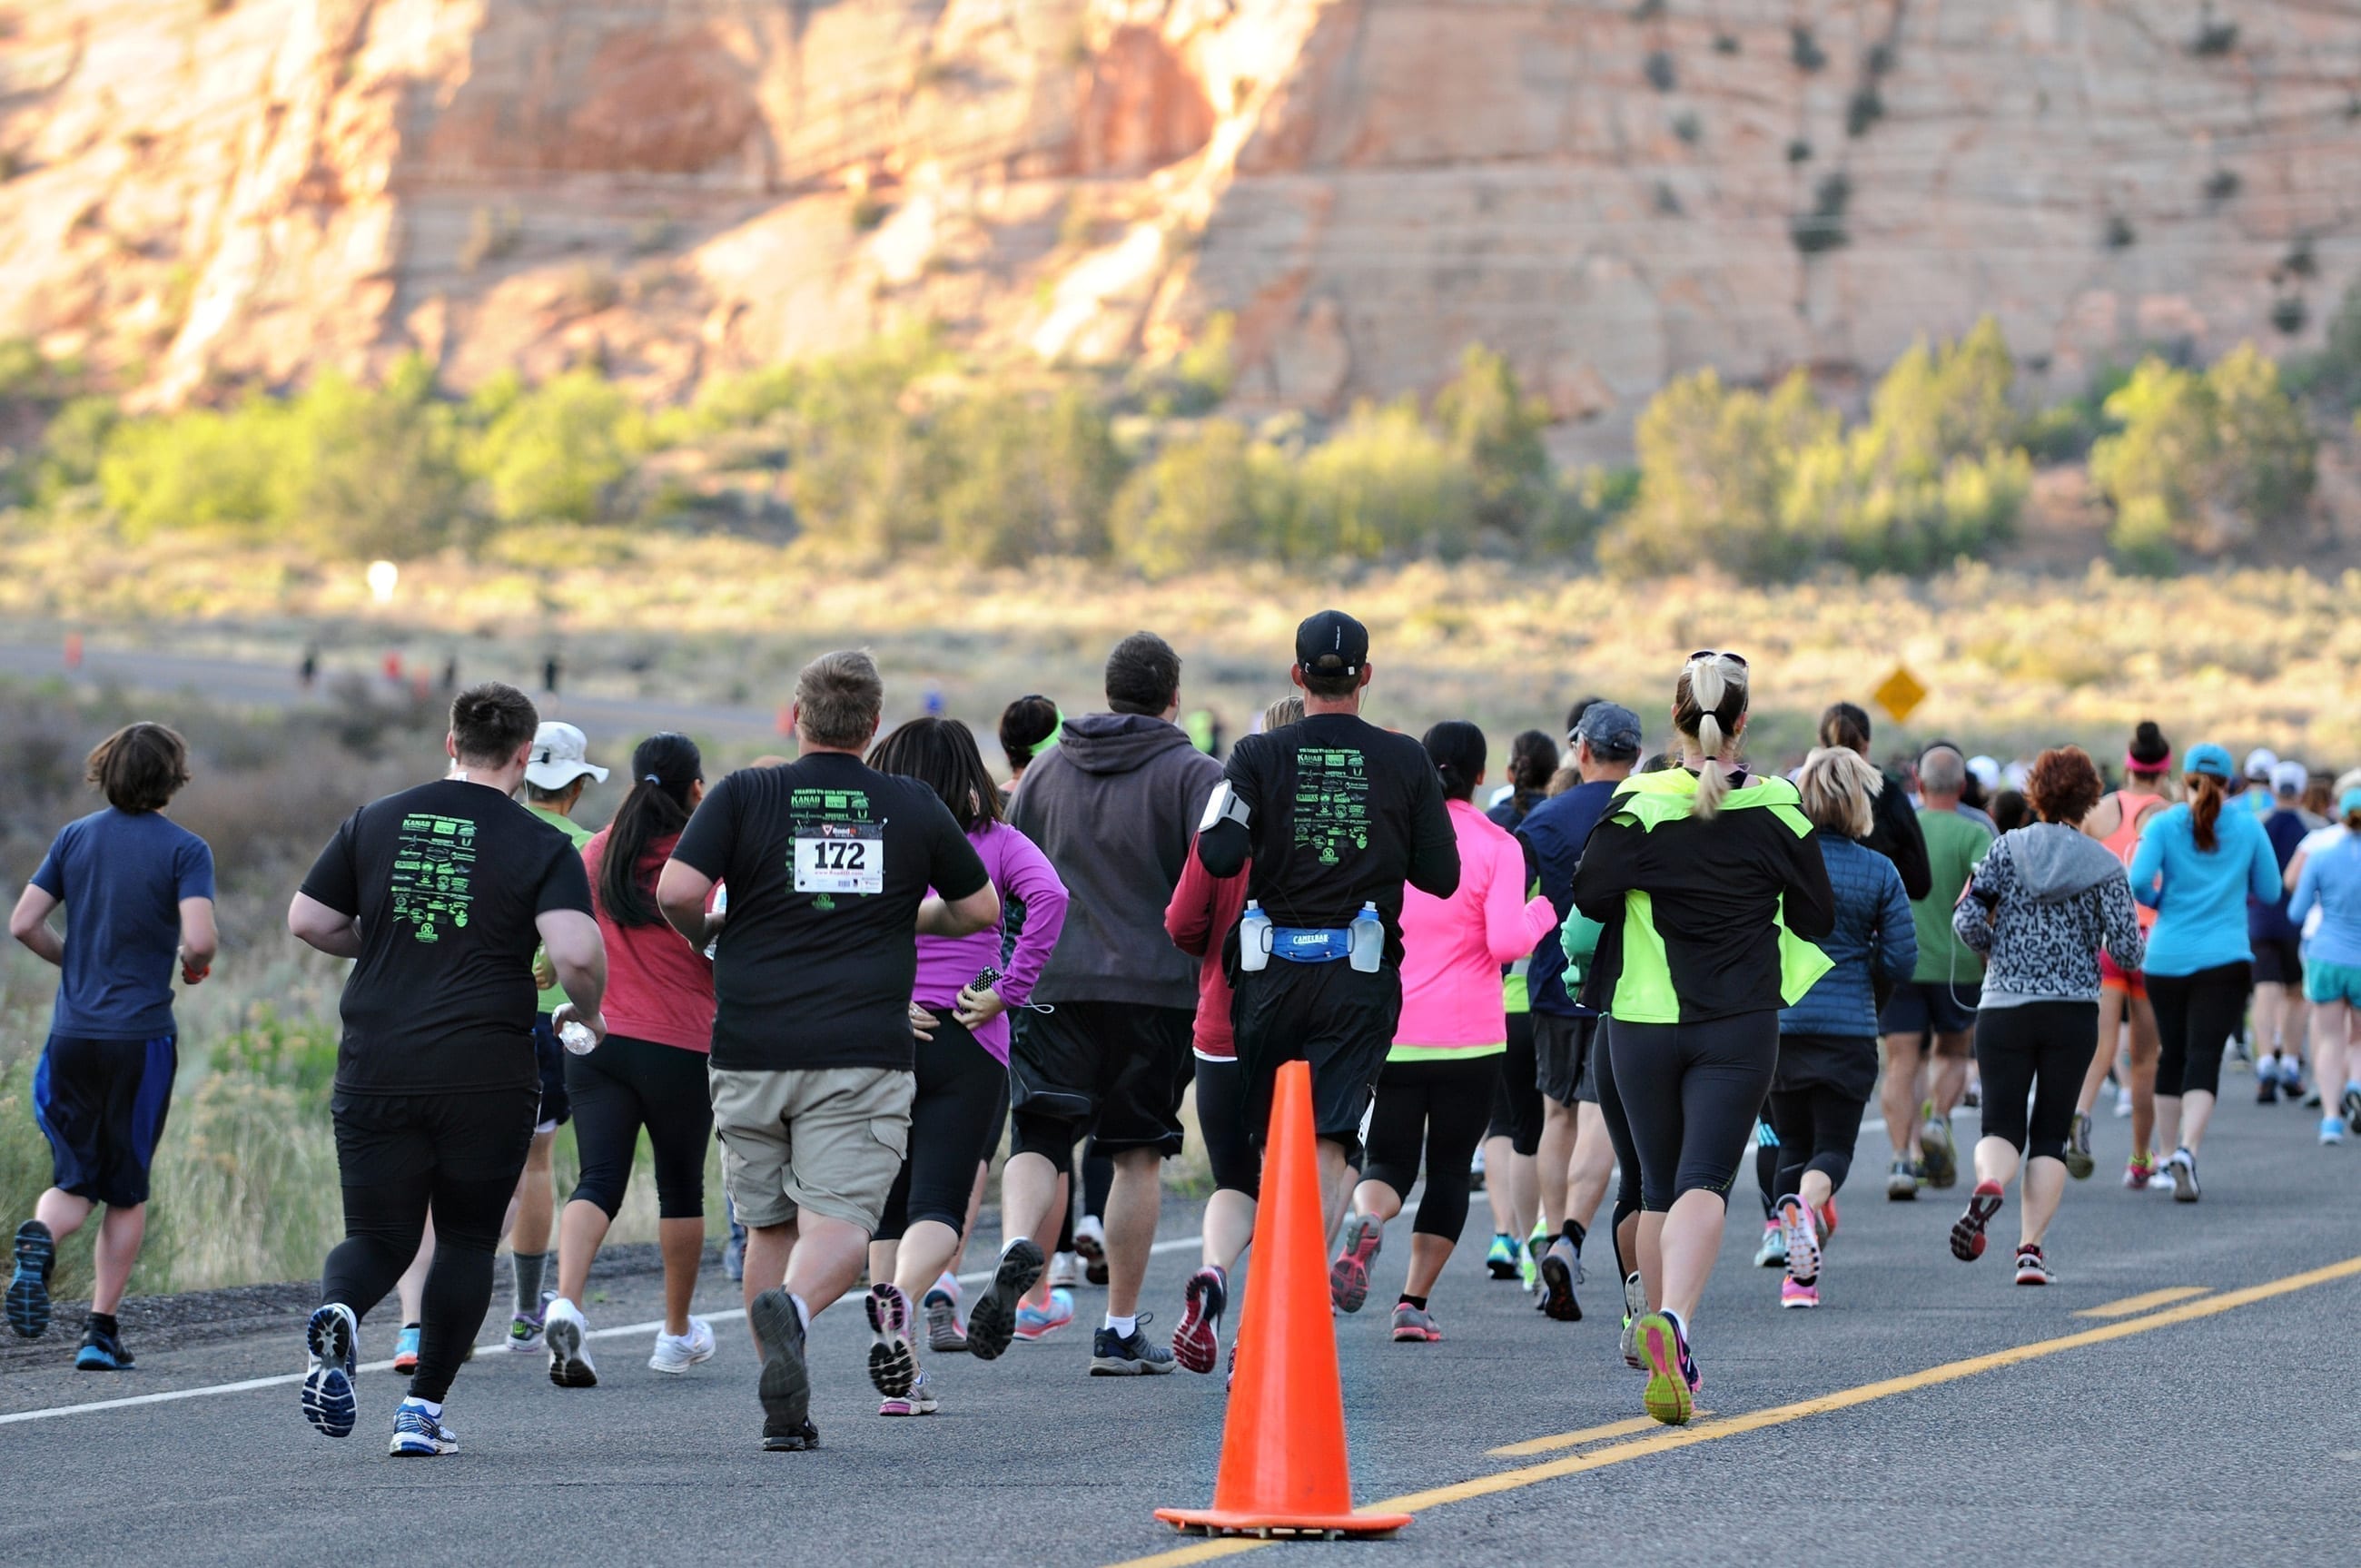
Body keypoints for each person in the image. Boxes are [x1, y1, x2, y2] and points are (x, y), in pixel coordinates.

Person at [656, 651, 997, 1450]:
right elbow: (978, 906)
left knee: (769, 1228)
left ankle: (785, 1407)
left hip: (748, 1045)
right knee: (840, 1221)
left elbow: (675, 890)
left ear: (797, 715)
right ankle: (798, 1315)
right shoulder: (908, 803)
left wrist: (707, 933)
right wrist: (917, 920)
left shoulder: (745, 792)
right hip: (859, 1048)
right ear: (874, 724)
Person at [288, 683, 607, 1458]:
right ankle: (420, 1412)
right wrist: (587, 1011)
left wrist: (395, 946)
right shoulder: (544, 844)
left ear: (450, 743)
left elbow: (308, 918)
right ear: (525, 757)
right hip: (484, 1069)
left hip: (377, 1060)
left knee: (378, 1234)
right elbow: (572, 952)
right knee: (466, 1237)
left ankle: (340, 1313)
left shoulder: (378, 817)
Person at [1570, 652, 1834, 1426]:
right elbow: (1818, 916)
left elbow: (1590, 891)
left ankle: (1657, 1327)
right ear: (1743, 720)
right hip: (1738, 1019)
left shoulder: (1639, 801)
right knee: (1706, 1179)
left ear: (1675, 717)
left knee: (1656, 1185)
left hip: (1643, 1021)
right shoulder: (1779, 806)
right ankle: (1676, 1326)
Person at [1195, 609, 1459, 1322]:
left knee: (1268, 1142)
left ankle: (1236, 1280)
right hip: (1357, 974)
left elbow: (1218, 853)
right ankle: (1282, 1311)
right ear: (1366, 676)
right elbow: (1442, 876)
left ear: (1297, 675)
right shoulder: (1404, 759)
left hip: (1271, 973)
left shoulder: (1254, 754)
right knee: (1328, 1137)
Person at [1000, 632, 1221, 1376]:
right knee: (1135, 1155)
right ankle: (1120, 1328)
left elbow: (1013, 874)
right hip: (1153, 992)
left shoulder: (1047, 769)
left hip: (1054, 983)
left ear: (1107, 690)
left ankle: (1013, 1254)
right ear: (1173, 697)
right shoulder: (1195, 775)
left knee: (1038, 1134)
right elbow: (1218, 881)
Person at [864, 716, 1067, 1416]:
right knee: (939, 1205)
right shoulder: (999, 843)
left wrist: (876, 1001)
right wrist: (1009, 988)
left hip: (888, 1030)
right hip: (967, 1034)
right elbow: (1052, 898)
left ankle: (907, 1375)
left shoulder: (875, 845)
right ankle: (908, 1302)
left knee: (886, 1207)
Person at [6, 724, 217, 1368]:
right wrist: (191, 963)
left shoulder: (74, 837)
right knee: (126, 1189)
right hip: (139, 1039)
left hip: (71, 1035)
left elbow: (23, 923)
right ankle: (99, 1330)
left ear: (106, 770)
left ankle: (39, 1237)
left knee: (73, 1177)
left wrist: (74, 964)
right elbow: (202, 939)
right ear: (172, 778)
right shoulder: (186, 850)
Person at [1346, 723, 1556, 1342]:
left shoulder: (1391, 836)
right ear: (1486, 775)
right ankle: (1412, 1302)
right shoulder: (1499, 843)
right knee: (1445, 1170)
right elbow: (1506, 941)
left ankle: (1369, 1220)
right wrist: (1543, 911)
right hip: (1472, 1037)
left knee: (1387, 1155)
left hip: (1396, 1028)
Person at [539, 735, 720, 1389]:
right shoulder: (701, 859)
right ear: (694, 789)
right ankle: (674, 1334)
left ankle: (567, 1302)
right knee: (679, 1186)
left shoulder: (596, 850)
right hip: (681, 1043)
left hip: (601, 1039)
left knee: (599, 1178)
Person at [1949, 747, 2146, 1282]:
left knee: (2001, 1123)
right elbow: (2128, 950)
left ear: (2035, 790)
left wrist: (1996, 947)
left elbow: (1965, 919)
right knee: (2051, 1132)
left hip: (2005, 1006)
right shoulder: (2105, 864)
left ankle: (1991, 1181)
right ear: (2089, 799)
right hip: (2073, 1010)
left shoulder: (2005, 850)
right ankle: (2030, 1251)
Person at [1163, 693, 1303, 1376]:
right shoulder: (1332, 823)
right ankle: (1258, 1331)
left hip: (1222, 1023)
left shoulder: (1224, 818)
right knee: (1298, 1186)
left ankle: (1214, 1271)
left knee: (1234, 1179)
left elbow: (1183, 924)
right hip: (1309, 1023)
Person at [1768, 748, 1915, 1309]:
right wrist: (1867, 972)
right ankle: (1808, 1211)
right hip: (1849, 1027)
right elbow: (1901, 960)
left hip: (1783, 1024)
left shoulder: (1780, 867)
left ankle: (1796, 1273)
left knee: (1791, 1145)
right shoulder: (1879, 871)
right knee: (1833, 1148)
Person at [1513, 700, 1644, 1321]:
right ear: (1636, 755)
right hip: (1624, 982)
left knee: (1555, 1115)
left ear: (1582, 750)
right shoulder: (1652, 809)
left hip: (1552, 980)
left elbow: (1515, 900)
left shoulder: (1545, 818)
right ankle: (1570, 1235)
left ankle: (1547, 1244)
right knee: (1600, 1121)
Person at [495, 721, 608, 1353]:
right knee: (536, 1163)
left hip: (485, 1012)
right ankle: (524, 1309)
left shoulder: (497, 834)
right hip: (556, 1020)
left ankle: (429, 1303)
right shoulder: (586, 849)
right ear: (575, 785)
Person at [2128, 743, 2281, 1203]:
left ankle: (2167, 1149)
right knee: (2204, 1055)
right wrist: (2233, 889)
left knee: (2171, 1054)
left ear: (2185, 778)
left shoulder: (2165, 823)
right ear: (2230, 783)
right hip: (2225, 956)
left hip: (2167, 956)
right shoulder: (2249, 827)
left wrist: (2163, 904)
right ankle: (2188, 1153)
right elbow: (2271, 890)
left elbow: (2137, 881)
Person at [1878, 745, 1992, 1199]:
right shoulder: (1977, 831)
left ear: (1918, 784)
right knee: (1953, 1053)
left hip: (1901, 962)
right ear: (1963, 787)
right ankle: (1939, 1121)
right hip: (1959, 966)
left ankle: (1902, 1160)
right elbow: (1992, 898)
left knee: (1903, 1063)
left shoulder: (1901, 826)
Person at [2070, 722, 2173, 1187]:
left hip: (2108, 940)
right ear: (2164, 767)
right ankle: (2140, 1159)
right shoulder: (2171, 816)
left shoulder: (2099, 811)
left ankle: (2079, 1113)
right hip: (2153, 943)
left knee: (2099, 1045)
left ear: (2129, 766)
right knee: (2145, 1059)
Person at [1478, 727, 1556, 1284]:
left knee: (1503, 1126)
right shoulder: (1558, 827)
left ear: (1510, 772)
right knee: (1548, 1123)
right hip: (1549, 1001)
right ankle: (1543, 1235)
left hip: (1494, 1001)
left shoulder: (1496, 828)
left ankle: (1504, 1235)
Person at [2289, 788, 2361, 1145]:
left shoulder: (2321, 854)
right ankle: (2356, 1085)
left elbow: (2296, 912)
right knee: (2359, 1039)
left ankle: (2331, 1120)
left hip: (2327, 954)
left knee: (2330, 1038)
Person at [1816, 703, 1933, 901]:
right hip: (1872, 922)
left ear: (1821, 743)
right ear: (1867, 744)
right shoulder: (1889, 795)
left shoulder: (1804, 796)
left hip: (1814, 924)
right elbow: (1919, 882)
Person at [2251, 759, 2315, 1102]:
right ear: (2303, 792)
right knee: (2295, 994)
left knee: (2265, 991)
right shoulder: (2316, 828)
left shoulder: (2256, 825)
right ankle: (2290, 1062)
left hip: (2259, 920)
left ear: (2273, 790)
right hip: (2297, 922)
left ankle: (2265, 1063)